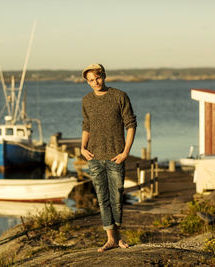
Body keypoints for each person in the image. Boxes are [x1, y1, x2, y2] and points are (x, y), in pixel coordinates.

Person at [81, 63, 137, 252]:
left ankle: (118, 236)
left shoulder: (119, 96)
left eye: (97, 78)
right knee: (102, 198)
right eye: (91, 80)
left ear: (103, 75)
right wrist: (82, 148)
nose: (95, 82)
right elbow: (86, 126)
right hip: (94, 157)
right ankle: (110, 239)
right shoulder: (87, 100)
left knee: (117, 197)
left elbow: (131, 125)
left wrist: (125, 152)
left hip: (115, 157)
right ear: (87, 82)